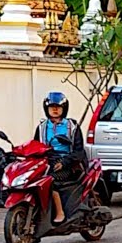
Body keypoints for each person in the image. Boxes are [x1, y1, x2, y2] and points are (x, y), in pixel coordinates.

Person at [32, 91, 86, 224]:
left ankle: (60, 212)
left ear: (64, 109)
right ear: (47, 109)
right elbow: (35, 146)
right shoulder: (42, 127)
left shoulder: (72, 127)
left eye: (58, 107)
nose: (55, 110)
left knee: (50, 181)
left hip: (69, 164)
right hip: (46, 162)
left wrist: (64, 162)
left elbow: (79, 151)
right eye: (52, 107)